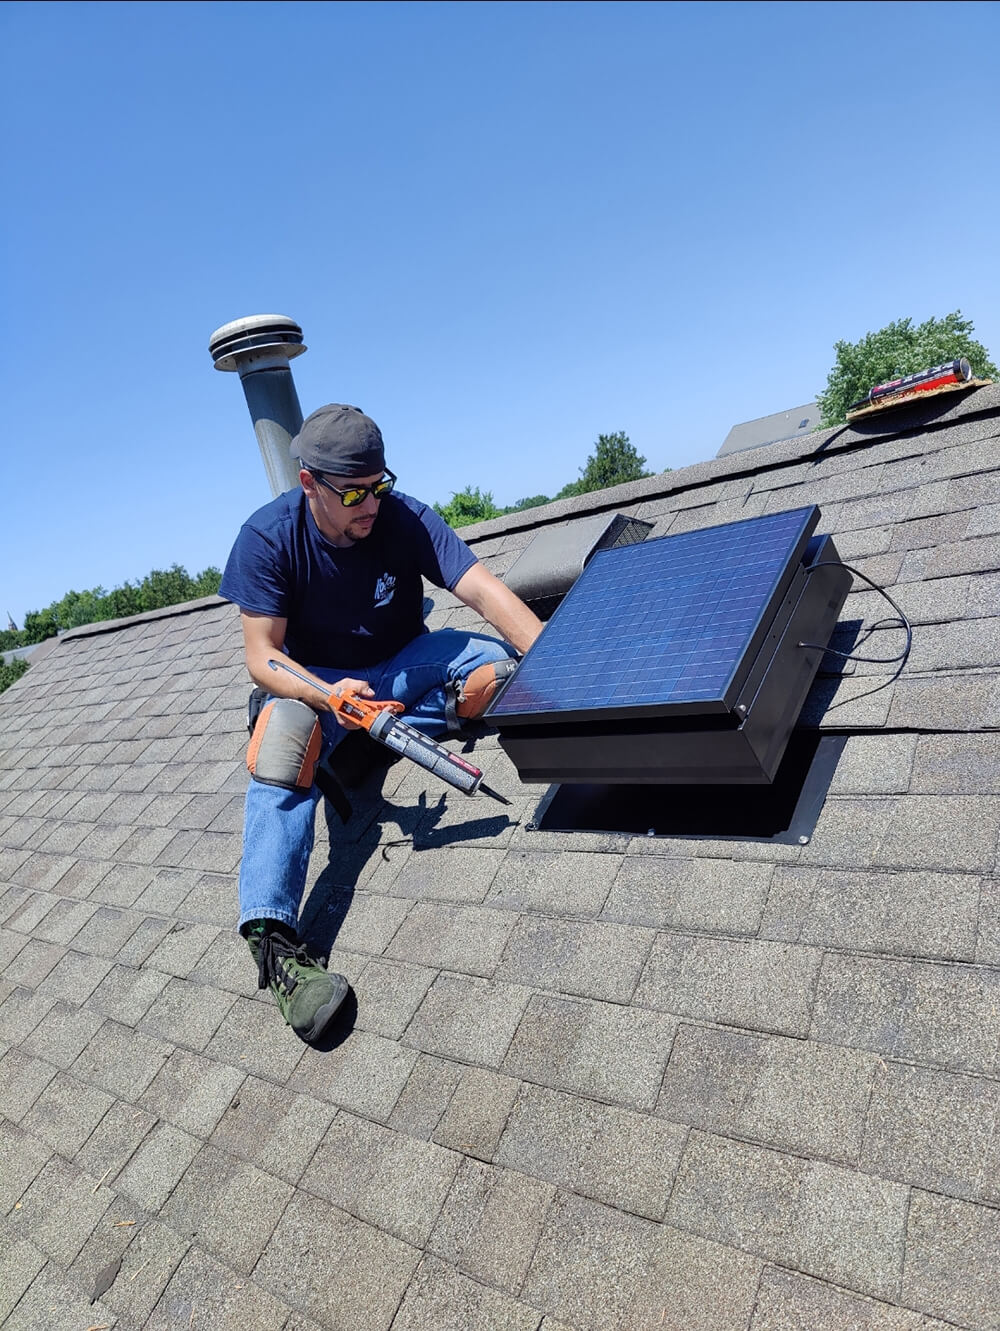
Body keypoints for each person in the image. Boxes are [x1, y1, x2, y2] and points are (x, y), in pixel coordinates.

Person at [219, 403, 543, 1043]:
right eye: (353, 492)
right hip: (319, 692)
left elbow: (483, 591)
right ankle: (276, 943)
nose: (370, 503)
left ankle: (428, 714)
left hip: (399, 667)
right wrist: (329, 695)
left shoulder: (401, 517)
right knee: (282, 742)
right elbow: (262, 657)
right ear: (309, 483)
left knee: (498, 670)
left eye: (379, 484)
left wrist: (561, 667)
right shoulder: (268, 539)